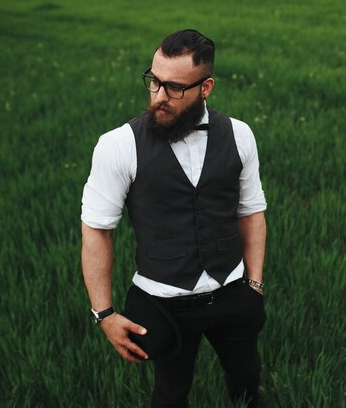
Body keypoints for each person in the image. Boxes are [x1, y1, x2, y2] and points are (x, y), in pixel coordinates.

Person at [81, 29, 267, 408]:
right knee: (170, 393)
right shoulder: (118, 145)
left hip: (233, 292)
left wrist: (255, 284)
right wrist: (104, 314)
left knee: (246, 374)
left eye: (175, 88)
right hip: (164, 303)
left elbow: (251, 211)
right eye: (154, 82)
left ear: (206, 87)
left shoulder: (240, 135)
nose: (159, 97)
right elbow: (97, 230)